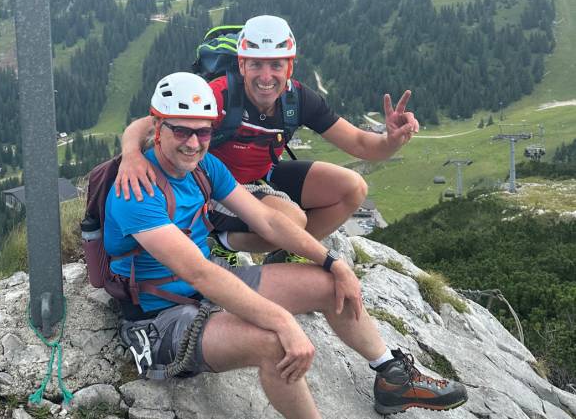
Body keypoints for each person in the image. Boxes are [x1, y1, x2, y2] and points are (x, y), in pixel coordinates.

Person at [104, 72, 466, 417]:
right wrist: (283, 322)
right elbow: (198, 273)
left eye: (203, 132)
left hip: (209, 289)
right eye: (181, 131)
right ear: (157, 128)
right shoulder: (136, 190)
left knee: (330, 285)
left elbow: (268, 221)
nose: (194, 142)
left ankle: (391, 374)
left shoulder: (205, 167)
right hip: (161, 320)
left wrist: (331, 263)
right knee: (275, 345)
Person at [115, 15, 419, 259]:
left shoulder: (298, 99)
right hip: (214, 189)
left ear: (289, 65)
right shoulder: (218, 94)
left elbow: (362, 144)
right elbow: (149, 123)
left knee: (353, 188)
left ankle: (287, 254)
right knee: (292, 219)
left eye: (276, 64)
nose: (266, 76)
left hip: (261, 178)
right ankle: (224, 242)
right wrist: (130, 155)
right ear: (242, 64)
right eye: (256, 64)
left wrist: (391, 140)